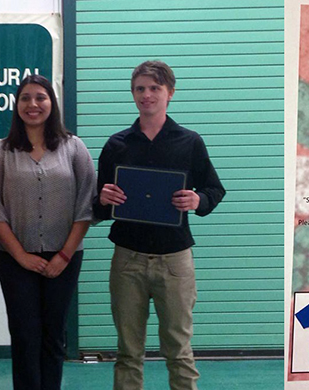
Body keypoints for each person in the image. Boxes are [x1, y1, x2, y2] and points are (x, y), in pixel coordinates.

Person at [93, 61, 226, 390]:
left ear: (170, 93)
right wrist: (103, 198)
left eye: (155, 88)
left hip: (175, 260)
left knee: (178, 351)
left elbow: (214, 189)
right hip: (128, 259)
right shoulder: (116, 145)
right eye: (140, 88)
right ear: (133, 94)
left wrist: (198, 201)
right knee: (128, 352)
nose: (147, 95)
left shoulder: (190, 142)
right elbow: (98, 205)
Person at [0, 74, 95, 390]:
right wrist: (20, 255)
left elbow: (86, 205)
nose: (32, 105)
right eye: (25, 98)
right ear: (16, 105)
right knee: (24, 335)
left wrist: (64, 254)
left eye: (40, 97)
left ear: (52, 103)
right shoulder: (1, 152)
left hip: (65, 258)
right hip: (14, 259)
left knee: (53, 335)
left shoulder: (74, 148)